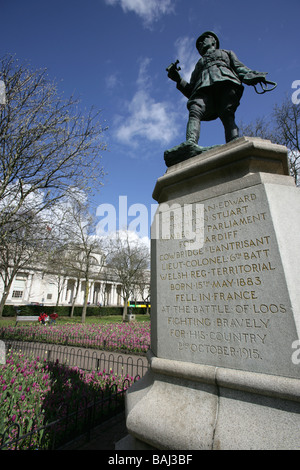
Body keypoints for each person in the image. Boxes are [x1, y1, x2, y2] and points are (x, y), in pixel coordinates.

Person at [167, 31, 268, 146]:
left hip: (226, 84)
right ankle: (191, 143)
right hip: (203, 89)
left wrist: (253, 76)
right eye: (199, 43)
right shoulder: (198, 64)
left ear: (213, 41)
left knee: (227, 114)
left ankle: (234, 144)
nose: (200, 43)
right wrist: (178, 80)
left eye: (204, 39)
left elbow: (240, 68)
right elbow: (191, 91)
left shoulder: (226, 53)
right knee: (194, 109)